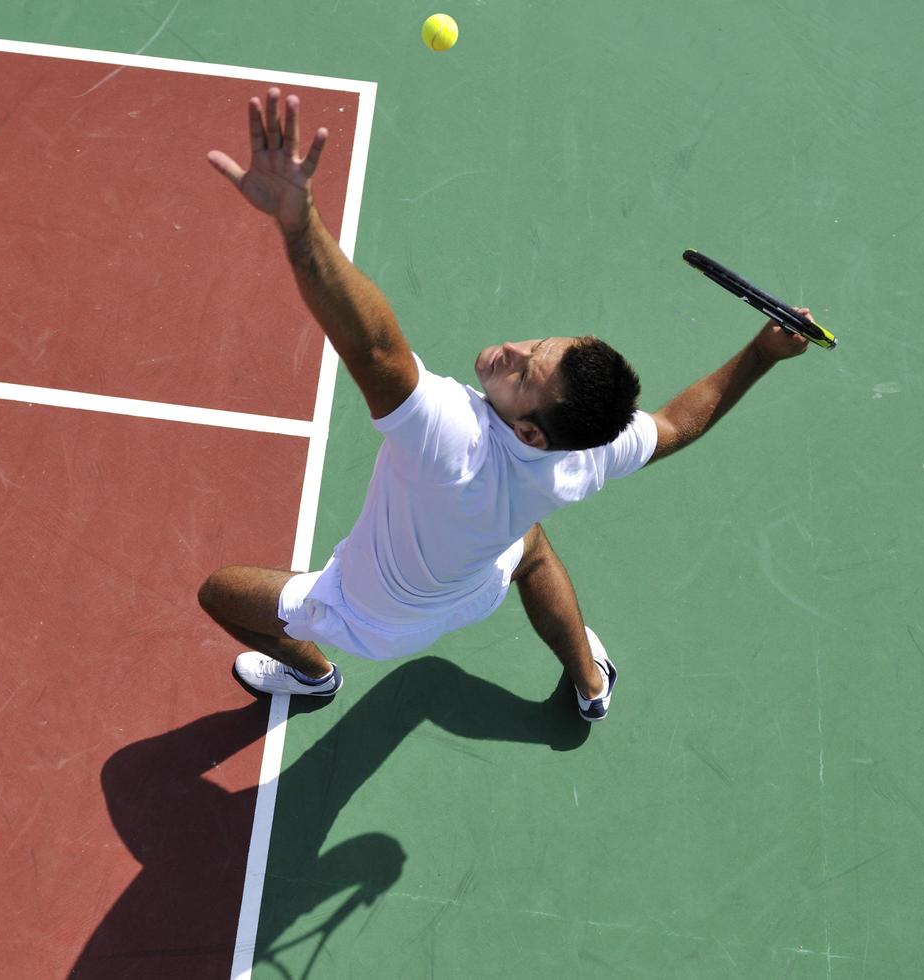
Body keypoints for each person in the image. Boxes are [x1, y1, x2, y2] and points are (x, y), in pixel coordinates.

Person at [197, 89, 810, 721]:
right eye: (537, 345)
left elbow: (375, 348)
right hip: (478, 580)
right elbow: (678, 423)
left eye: (524, 373)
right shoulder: (594, 446)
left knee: (218, 594)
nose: (509, 352)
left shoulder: (452, 440)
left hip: (370, 613)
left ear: (533, 432)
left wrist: (301, 230)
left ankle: (312, 672)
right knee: (533, 550)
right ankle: (592, 683)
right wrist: (761, 355)